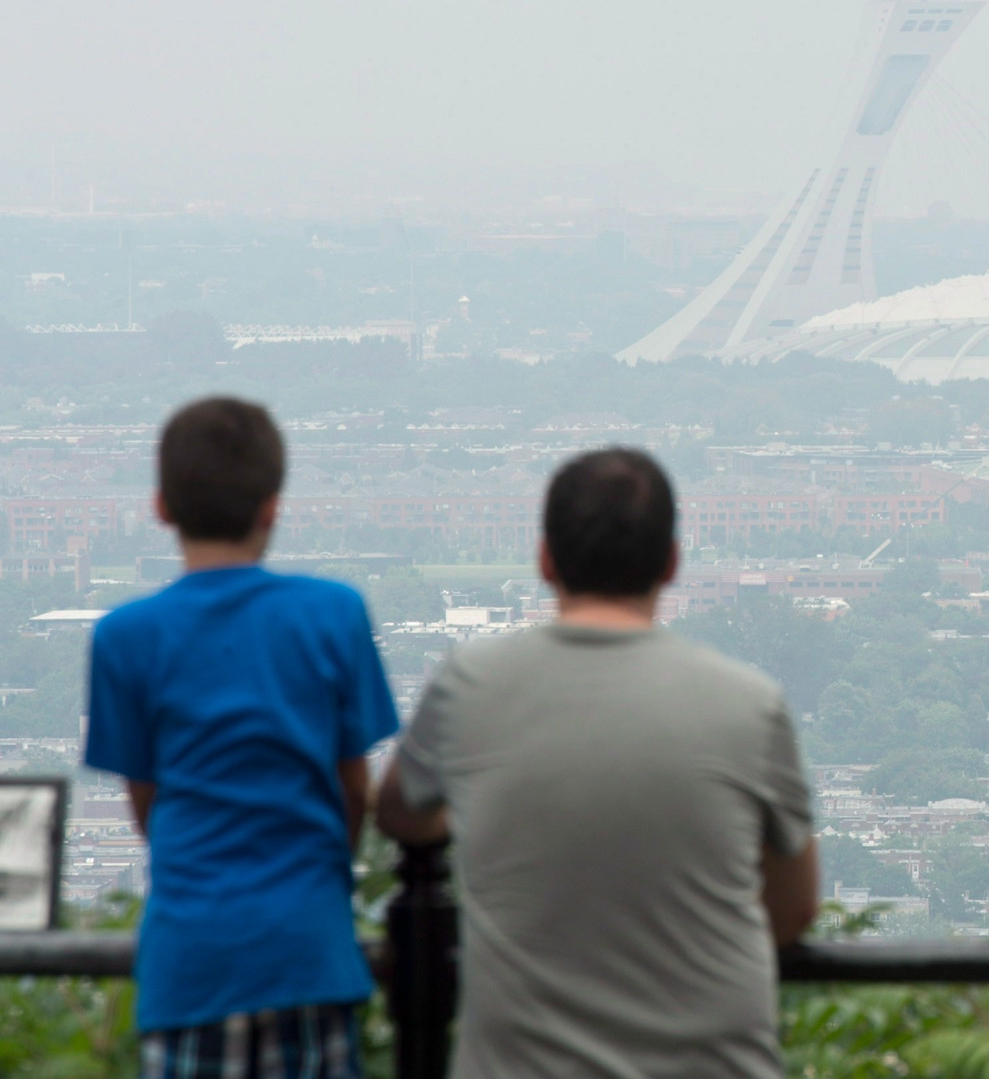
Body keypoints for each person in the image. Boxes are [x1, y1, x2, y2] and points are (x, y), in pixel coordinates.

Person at [375, 447, 820, 1079]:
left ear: (545, 559)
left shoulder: (470, 684)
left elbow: (401, 815)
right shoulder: (750, 705)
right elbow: (794, 909)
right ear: (671, 562)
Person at [85, 397, 399, 1078]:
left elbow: (148, 804)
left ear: (162, 505)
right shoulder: (334, 614)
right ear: (272, 505)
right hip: (310, 949)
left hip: (191, 958)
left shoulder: (125, 637)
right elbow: (355, 789)